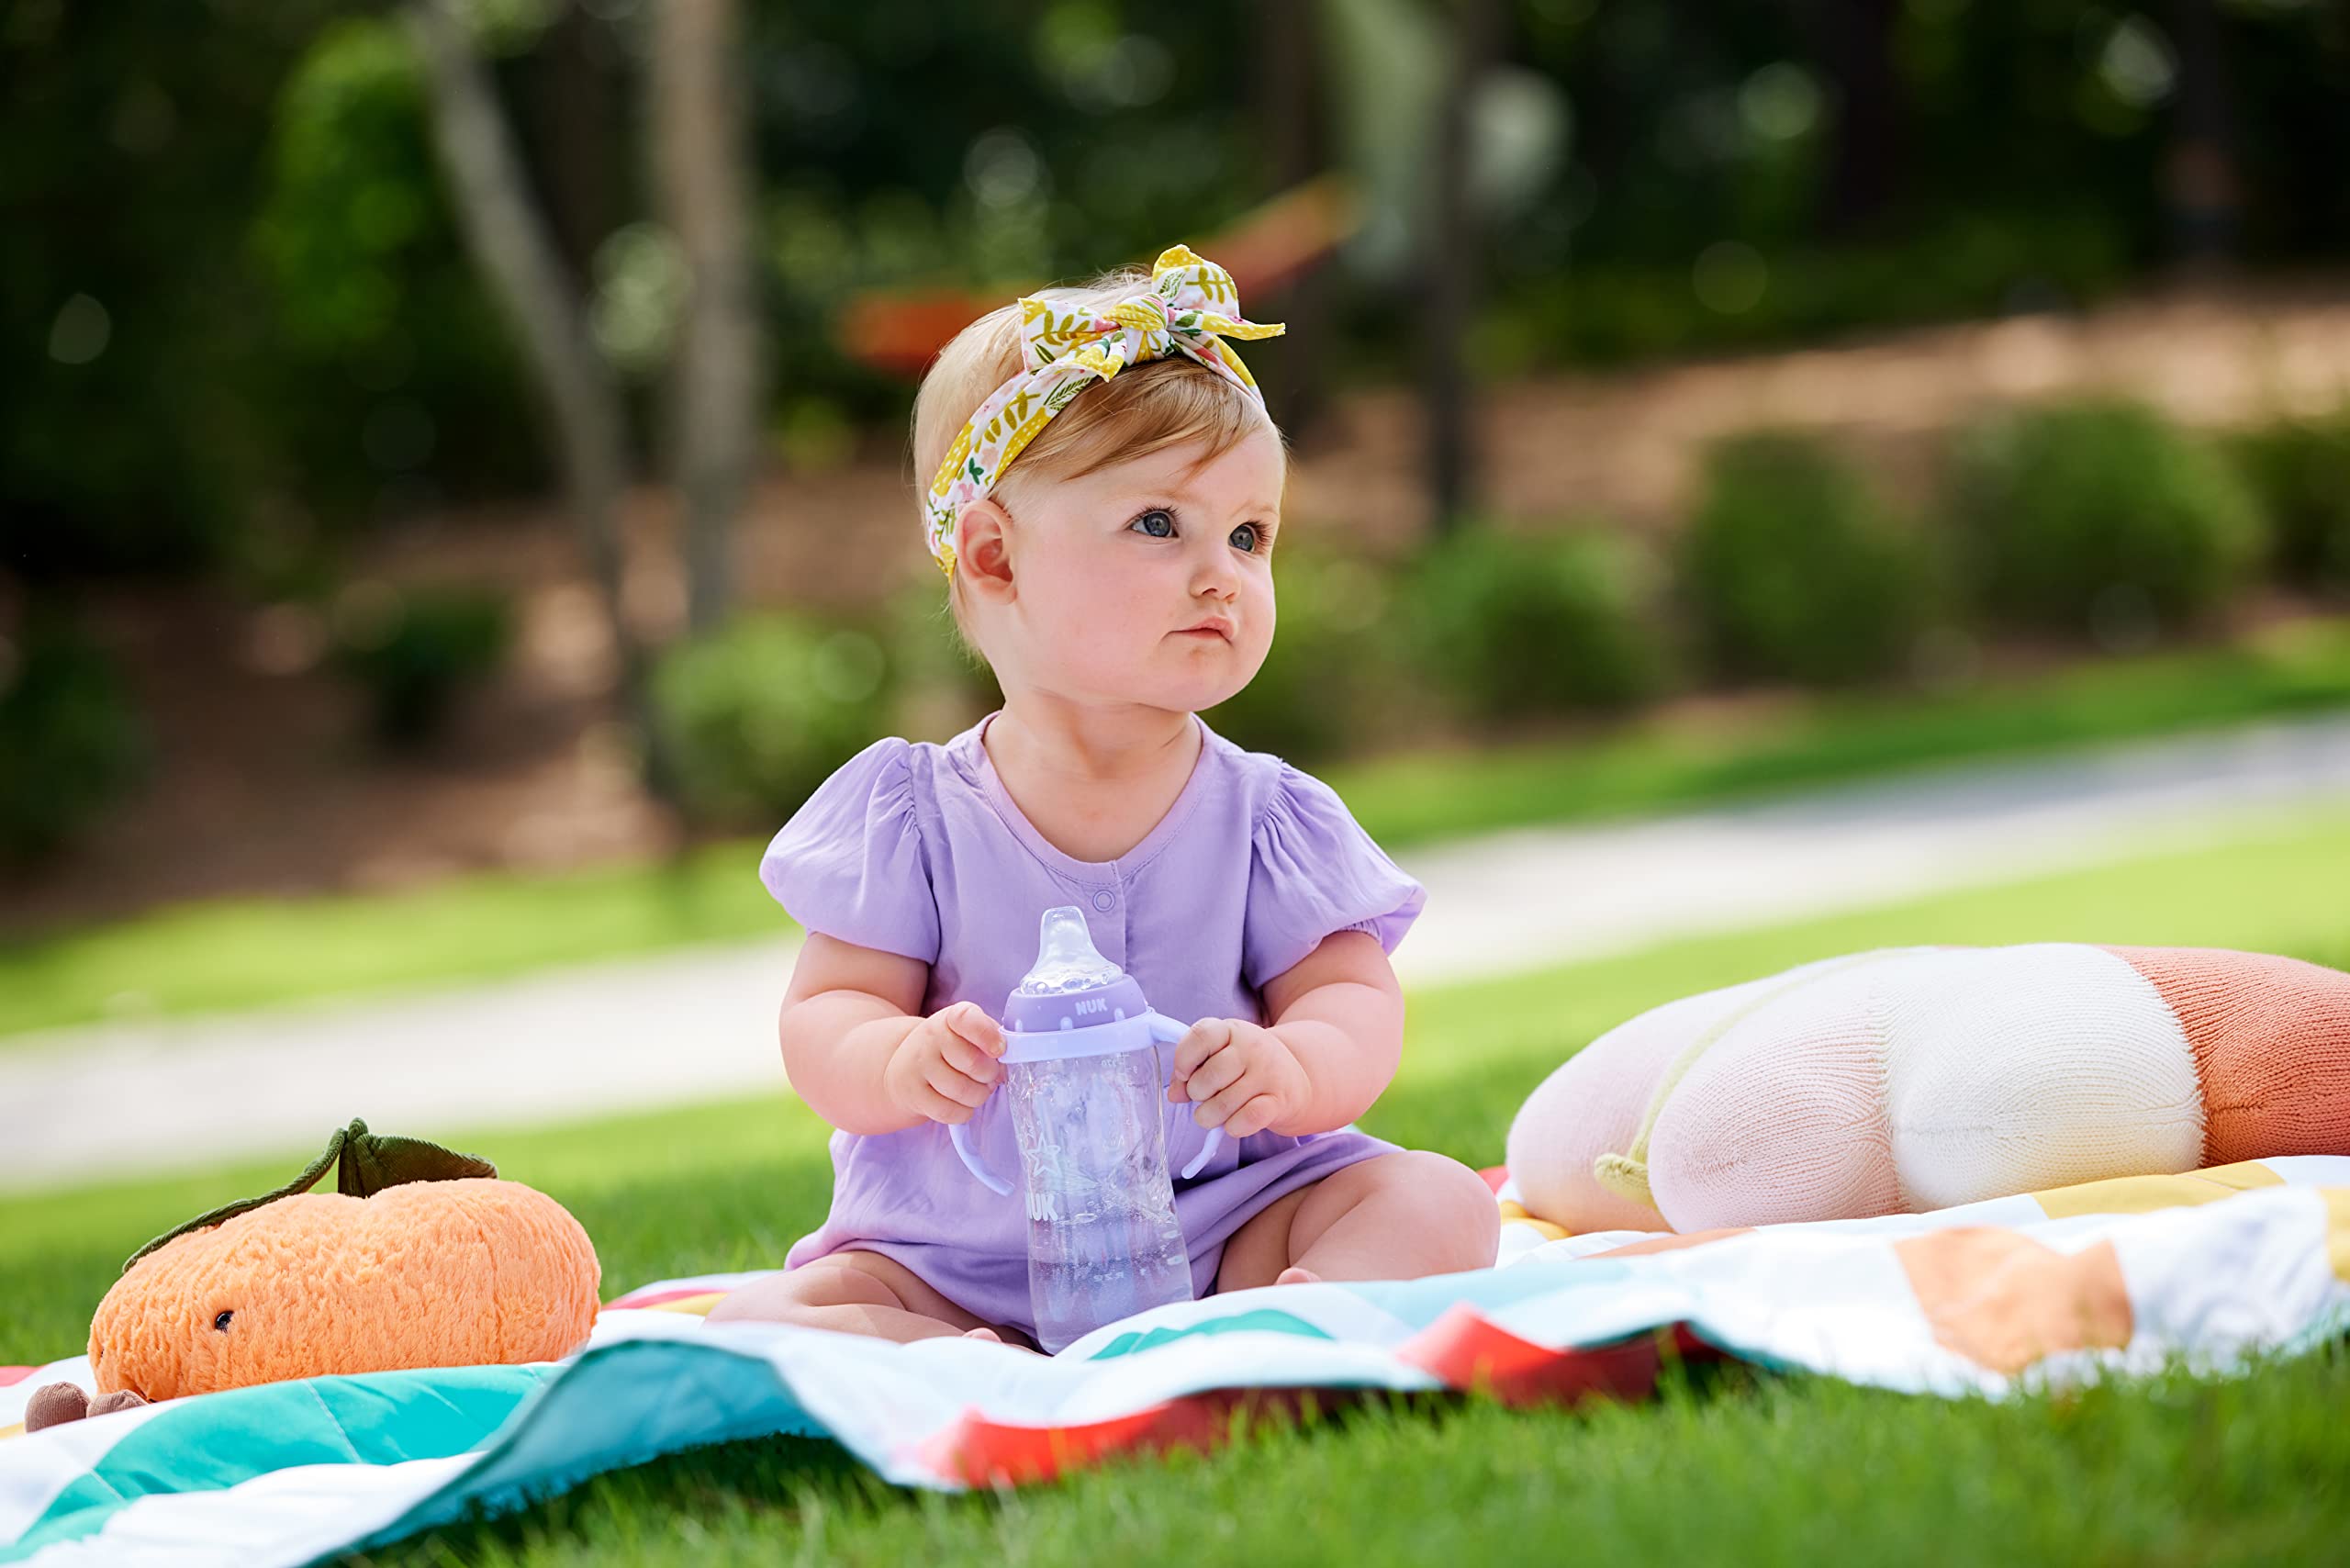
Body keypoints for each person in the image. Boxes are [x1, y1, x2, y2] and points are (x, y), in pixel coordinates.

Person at [709, 246, 1499, 1348]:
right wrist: (896, 1060)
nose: (1221, 570)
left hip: (1228, 1226)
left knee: (1436, 1201)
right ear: (994, 556)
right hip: (959, 1255)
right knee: (765, 1319)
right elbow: (824, 1016)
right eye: (1160, 524)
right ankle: (956, 1353)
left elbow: (1353, 1001)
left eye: (1249, 533)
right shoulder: (914, 816)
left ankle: (1271, 1325)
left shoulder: (1268, 815)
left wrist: (1293, 1065)